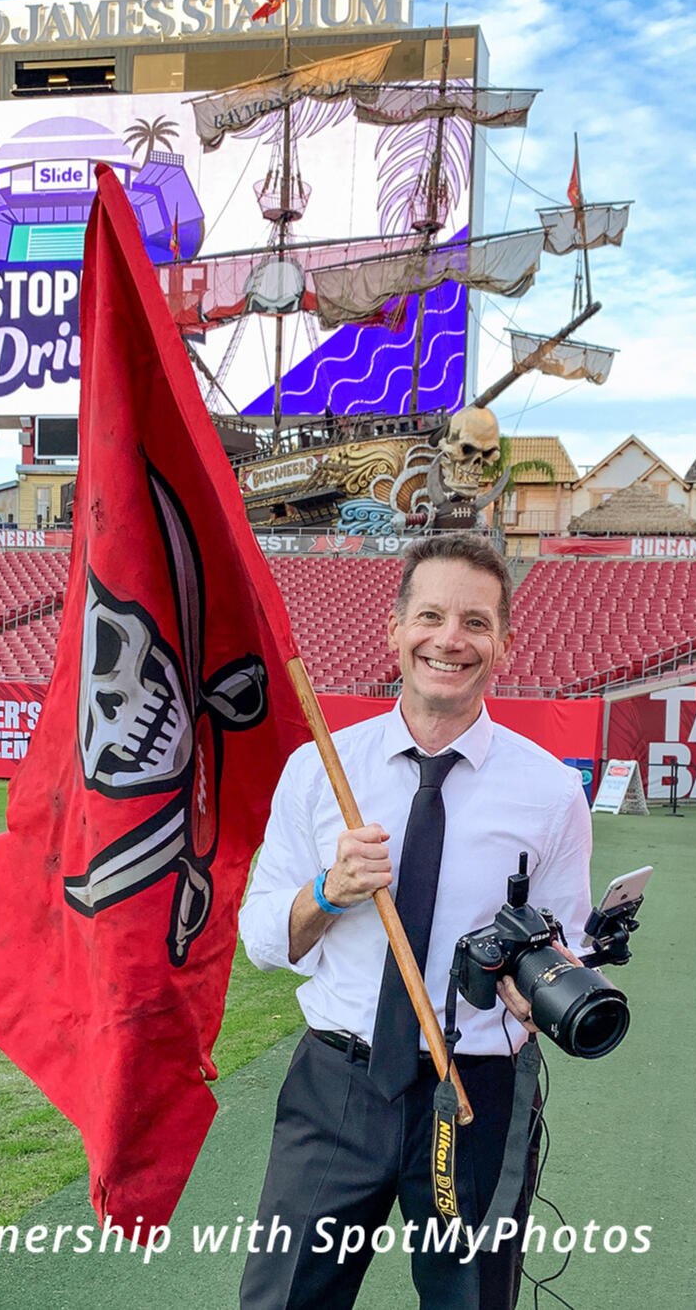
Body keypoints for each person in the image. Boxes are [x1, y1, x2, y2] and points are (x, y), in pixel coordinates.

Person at [239, 531, 591, 1310]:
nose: (449, 639)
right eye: (429, 615)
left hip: (479, 1090)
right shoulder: (321, 769)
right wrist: (328, 892)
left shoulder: (551, 793)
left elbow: (565, 946)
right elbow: (264, 941)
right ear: (395, 629)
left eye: (475, 622)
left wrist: (540, 991)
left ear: (503, 642)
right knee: (283, 1300)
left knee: (468, 1302)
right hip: (339, 1086)